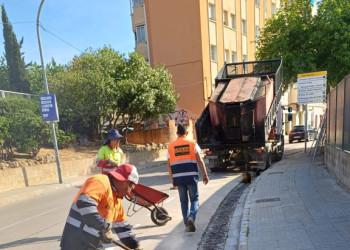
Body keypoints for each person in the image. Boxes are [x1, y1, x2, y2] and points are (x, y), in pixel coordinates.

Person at [60, 164, 142, 250]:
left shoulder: (116, 200)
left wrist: (136, 246)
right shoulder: (100, 181)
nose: (129, 193)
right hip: (76, 240)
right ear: (127, 182)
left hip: (91, 243)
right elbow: (84, 203)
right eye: (131, 189)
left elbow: (123, 229)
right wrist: (104, 228)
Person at [167, 123, 209, 232]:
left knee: (183, 201)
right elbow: (200, 160)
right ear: (187, 133)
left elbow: (169, 164)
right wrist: (205, 174)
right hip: (191, 177)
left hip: (178, 178)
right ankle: (192, 217)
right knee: (194, 199)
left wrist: (172, 179)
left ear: (177, 133)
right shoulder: (192, 144)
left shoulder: (170, 146)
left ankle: (187, 223)